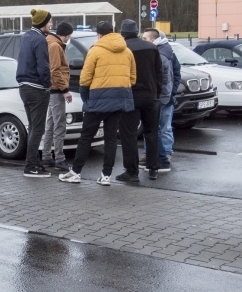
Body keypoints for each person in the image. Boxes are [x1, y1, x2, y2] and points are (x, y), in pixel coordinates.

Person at [59, 21, 135, 186]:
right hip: (118, 100)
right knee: (111, 139)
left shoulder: (95, 51)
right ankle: (106, 175)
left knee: (86, 137)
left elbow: (85, 78)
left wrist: (86, 99)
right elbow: (132, 78)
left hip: (97, 99)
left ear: (99, 35)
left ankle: (76, 172)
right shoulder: (127, 51)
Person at [116, 19, 163, 182]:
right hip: (151, 96)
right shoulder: (152, 47)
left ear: (123, 33)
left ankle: (132, 171)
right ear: (137, 32)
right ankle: (153, 168)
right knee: (152, 132)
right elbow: (159, 73)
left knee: (128, 134)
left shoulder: (123, 49)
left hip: (131, 97)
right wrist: (157, 92)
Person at [16, 8, 53, 178]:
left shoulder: (26, 36)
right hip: (37, 87)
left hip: (24, 86)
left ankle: (34, 162)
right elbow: (43, 66)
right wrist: (47, 85)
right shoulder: (40, 39)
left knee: (33, 126)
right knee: (38, 128)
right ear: (43, 23)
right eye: (49, 22)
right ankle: (31, 165)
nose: (51, 24)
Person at [142, 28, 180, 173]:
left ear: (153, 39)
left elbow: (173, 74)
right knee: (157, 128)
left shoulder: (162, 53)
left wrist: (171, 92)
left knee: (162, 128)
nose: (142, 40)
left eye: (145, 38)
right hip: (164, 96)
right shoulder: (165, 51)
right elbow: (175, 74)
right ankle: (152, 154)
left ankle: (164, 155)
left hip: (162, 98)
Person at [41, 21, 74, 172]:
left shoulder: (50, 42)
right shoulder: (55, 46)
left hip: (51, 89)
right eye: (68, 36)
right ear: (65, 35)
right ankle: (59, 159)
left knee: (51, 124)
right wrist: (65, 89)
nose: (68, 39)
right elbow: (55, 70)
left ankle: (47, 156)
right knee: (59, 125)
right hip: (56, 90)